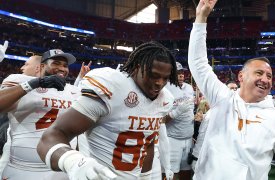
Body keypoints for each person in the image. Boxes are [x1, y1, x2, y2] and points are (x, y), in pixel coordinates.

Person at [188, 0, 275, 179]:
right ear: (241, 76)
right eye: (259, 73)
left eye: (270, 76)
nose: (265, 79)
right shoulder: (222, 98)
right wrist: (201, 18)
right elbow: (198, 64)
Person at [37, 41, 179, 180]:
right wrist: (72, 162)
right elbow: (51, 136)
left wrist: (145, 177)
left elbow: (147, 143)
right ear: (137, 68)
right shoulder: (112, 87)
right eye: (154, 75)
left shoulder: (164, 99)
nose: (159, 83)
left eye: (165, 78)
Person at [0, 49, 81, 180]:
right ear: (42, 66)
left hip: (61, 170)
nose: (62, 68)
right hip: (22, 170)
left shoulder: (75, 91)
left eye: (65, 66)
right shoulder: (21, 81)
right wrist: (33, 84)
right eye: (56, 63)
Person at [163, 62, 194, 180]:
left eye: (182, 73)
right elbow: (159, 120)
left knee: (187, 171)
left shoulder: (189, 88)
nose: (181, 75)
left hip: (189, 138)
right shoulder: (165, 89)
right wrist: (176, 112)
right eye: (178, 73)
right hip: (173, 138)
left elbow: (190, 109)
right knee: (171, 173)